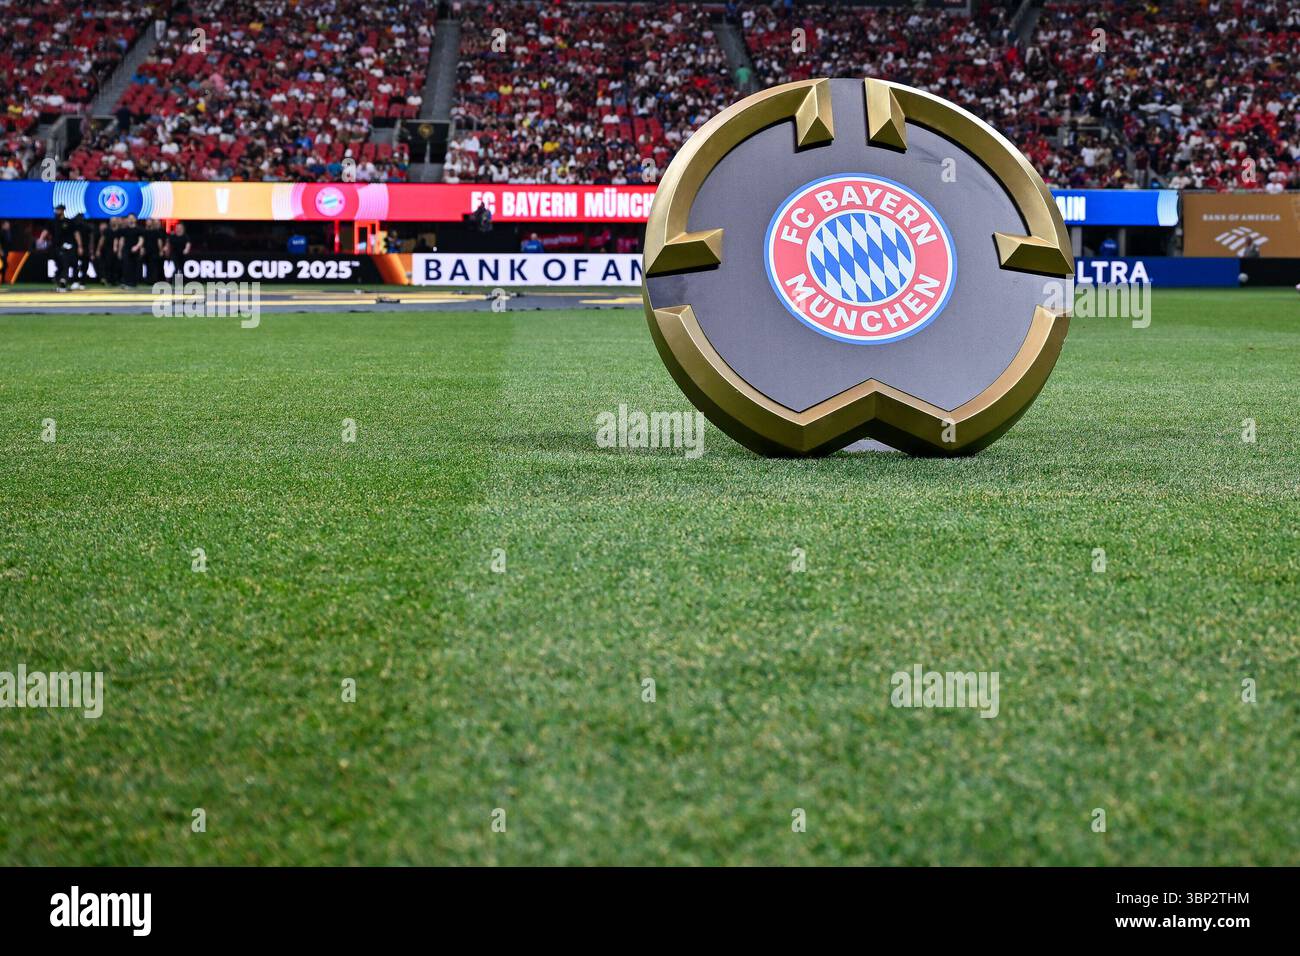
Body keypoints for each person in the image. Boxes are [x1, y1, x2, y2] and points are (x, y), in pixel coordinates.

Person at [43, 204, 79, 291]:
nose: (57, 211)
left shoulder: (69, 222)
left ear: (63, 210)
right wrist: (41, 239)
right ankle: (60, 282)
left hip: (67, 247)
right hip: (56, 247)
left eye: (58, 210)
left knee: (66, 264)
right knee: (59, 265)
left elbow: (76, 234)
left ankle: (64, 282)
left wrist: (80, 245)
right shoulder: (52, 222)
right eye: (56, 210)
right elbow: (46, 232)